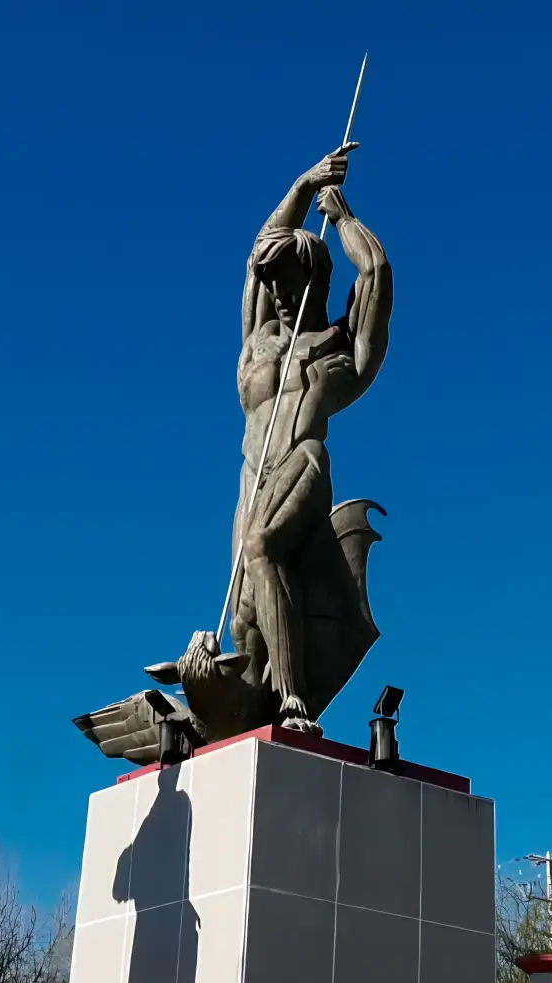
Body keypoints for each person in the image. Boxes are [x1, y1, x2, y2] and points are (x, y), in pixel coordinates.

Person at [229, 143, 393, 730]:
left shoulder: (336, 349)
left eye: (286, 281)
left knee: (263, 549)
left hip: (303, 460)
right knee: (243, 623)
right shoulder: (257, 345)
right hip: (253, 476)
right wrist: (302, 183)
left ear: (313, 282)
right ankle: (254, 703)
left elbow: (375, 274)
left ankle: (295, 701)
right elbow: (256, 255)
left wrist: (342, 215)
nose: (273, 291)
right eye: (272, 283)